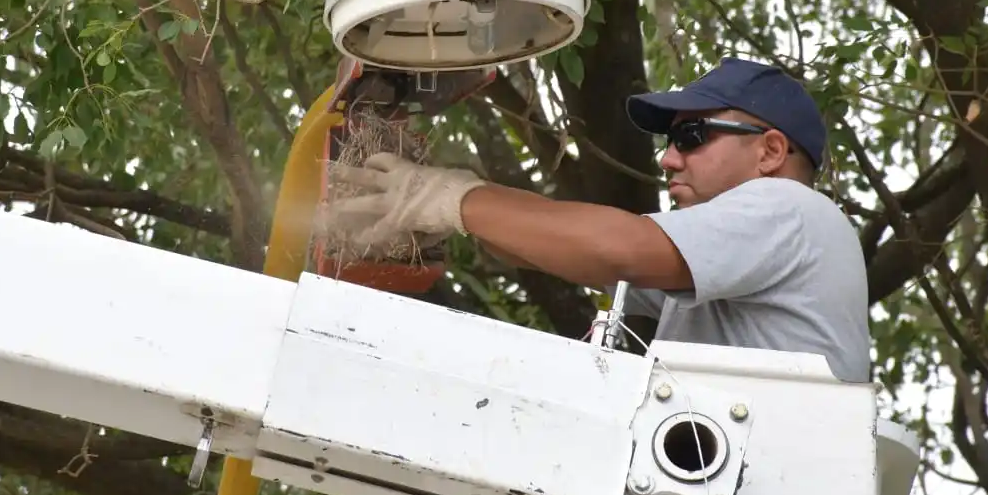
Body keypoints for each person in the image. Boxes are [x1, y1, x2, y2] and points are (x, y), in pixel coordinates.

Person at [323, 57, 870, 385]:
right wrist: (458, 212)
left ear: (770, 151)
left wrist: (458, 199)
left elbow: (619, 248)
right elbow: (576, 254)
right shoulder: (746, 259)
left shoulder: (789, 209)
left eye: (690, 137)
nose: (668, 158)